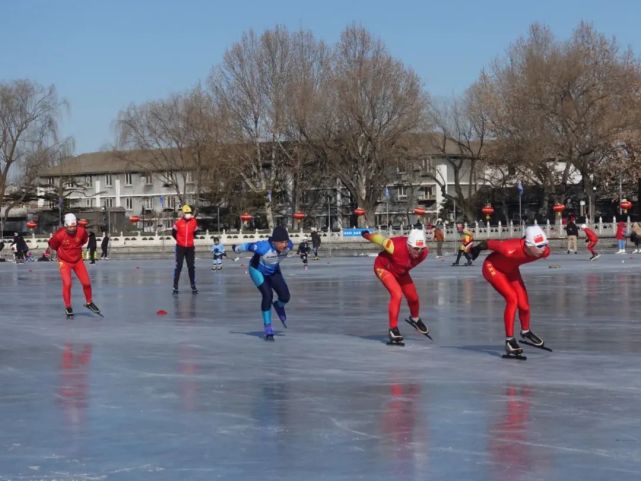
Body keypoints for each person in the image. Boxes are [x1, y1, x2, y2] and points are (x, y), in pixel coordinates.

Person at [469, 225, 550, 359]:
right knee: (512, 299)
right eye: (539, 246)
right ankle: (509, 340)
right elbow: (488, 243)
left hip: (511, 269)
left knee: (524, 305)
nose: (543, 249)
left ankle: (525, 331)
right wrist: (476, 249)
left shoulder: (545, 251)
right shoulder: (509, 248)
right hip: (493, 268)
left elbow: (540, 249)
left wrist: (542, 247)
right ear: (528, 245)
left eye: (544, 244)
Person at [361, 229, 430, 345]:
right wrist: (366, 234)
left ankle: (415, 319)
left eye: (421, 249)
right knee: (397, 294)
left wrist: (420, 250)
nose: (418, 252)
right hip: (383, 268)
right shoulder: (393, 246)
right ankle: (393, 329)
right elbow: (378, 239)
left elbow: (406, 263)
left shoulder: (424, 253)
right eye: (415, 248)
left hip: (401, 272)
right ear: (408, 246)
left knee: (413, 297)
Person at [233, 225, 293, 341]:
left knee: (285, 297)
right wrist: (236, 248)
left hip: (274, 270)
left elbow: (288, 245)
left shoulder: (289, 246)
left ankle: (279, 305)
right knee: (268, 295)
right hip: (257, 270)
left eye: (286, 242)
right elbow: (248, 246)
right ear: (274, 242)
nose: (284, 245)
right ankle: (268, 328)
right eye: (281, 242)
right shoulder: (263, 247)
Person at [48, 213, 102, 318]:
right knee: (67, 284)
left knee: (86, 283)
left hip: (78, 261)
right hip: (64, 262)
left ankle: (89, 302)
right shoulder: (59, 235)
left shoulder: (81, 231)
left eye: (74, 226)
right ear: (65, 225)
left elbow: (84, 240)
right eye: (70, 227)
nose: (72, 229)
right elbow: (53, 245)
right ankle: (68, 306)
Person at [172, 204, 198, 294]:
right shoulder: (178, 223)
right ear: (183, 213)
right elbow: (173, 233)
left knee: (191, 267)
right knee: (178, 267)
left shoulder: (194, 222)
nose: (188, 214)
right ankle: (175, 287)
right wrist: (179, 240)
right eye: (186, 212)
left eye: (189, 212)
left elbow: (195, 232)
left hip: (190, 247)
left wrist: (190, 240)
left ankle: (193, 286)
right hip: (180, 247)